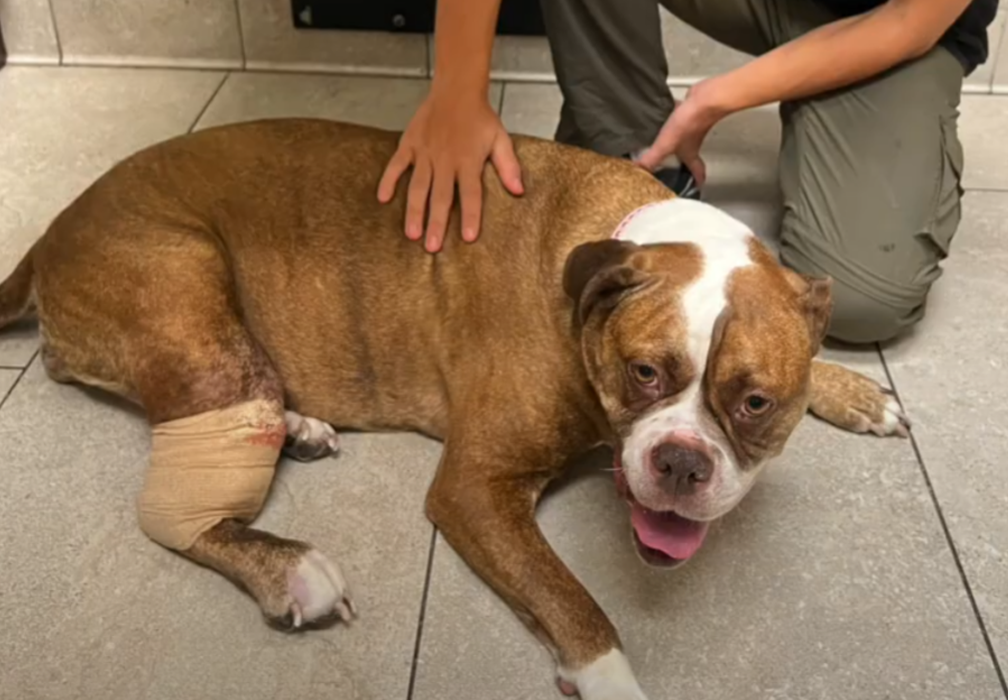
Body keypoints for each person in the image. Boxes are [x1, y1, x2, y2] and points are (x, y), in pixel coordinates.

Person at [376, 0, 998, 344]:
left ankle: (831, 106)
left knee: (865, 302)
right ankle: (636, 157)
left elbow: (908, 21)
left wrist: (715, 98)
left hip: (893, 18)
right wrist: (458, 89)